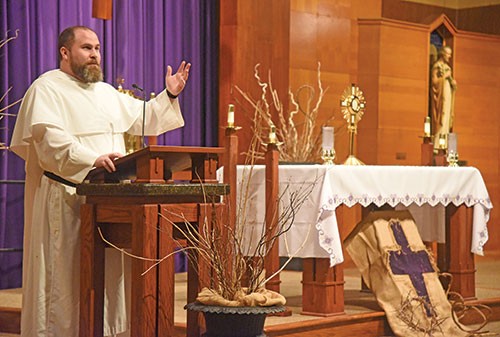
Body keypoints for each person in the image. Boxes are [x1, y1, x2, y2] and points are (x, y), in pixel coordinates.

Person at [10, 25, 190, 337]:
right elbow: (50, 141)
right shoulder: (46, 89)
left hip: (110, 202)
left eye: (97, 48)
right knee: (65, 280)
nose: (95, 54)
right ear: (65, 53)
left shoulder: (105, 92)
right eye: (86, 48)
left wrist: (169, 93)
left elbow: (145, 118)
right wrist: (89, 159)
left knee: (107, 280)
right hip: (67, 199)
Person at [430, 45, 457, 150]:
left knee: (447, 117)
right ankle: (437, 145)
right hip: (440, 98)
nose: (449, 57)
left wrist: (453, 83)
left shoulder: (447, 68)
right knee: (442, 116)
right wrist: (445, 77)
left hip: (448, 95)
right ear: (442, 54)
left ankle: (445, 145)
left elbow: (450, 82)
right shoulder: (437, 66)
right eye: (448, 54)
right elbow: (434, 82)